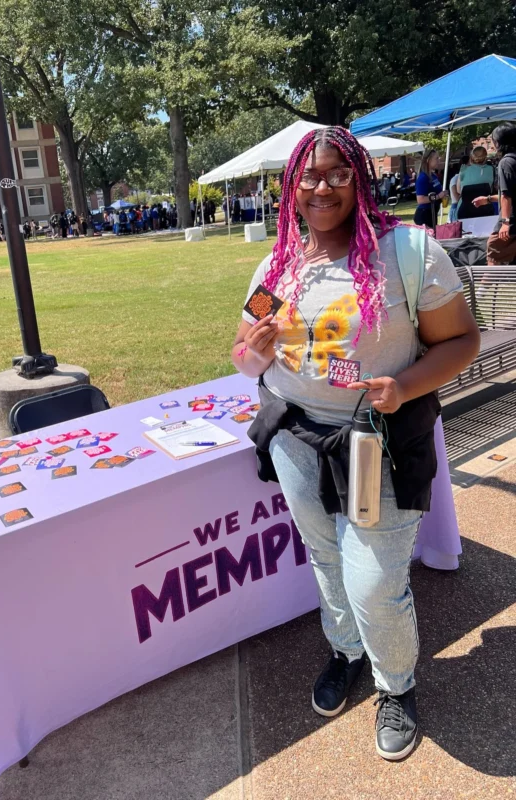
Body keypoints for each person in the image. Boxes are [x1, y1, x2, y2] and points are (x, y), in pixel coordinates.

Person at [231, 126, 480, 762]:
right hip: (295, 437)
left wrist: (401, 385)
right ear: (290, 186)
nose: (322, 187)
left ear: (360, 180)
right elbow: (242, 351)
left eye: (338, 174)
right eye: (309, 176)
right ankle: (345, 650)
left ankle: (396, 685)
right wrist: (252, 354)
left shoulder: (409, 253)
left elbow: (462, 343)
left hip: (378, 441)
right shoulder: (278, 263)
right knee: (325, 556)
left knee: (373, 579)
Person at [473, 122, 516, 265]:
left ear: (498, 143)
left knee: (493, 250)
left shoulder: (506, 162)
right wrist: (488, 199)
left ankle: (483, 288)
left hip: (512, 220)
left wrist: (505, 222)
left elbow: (507, 195)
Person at [456, 146, 495, 219]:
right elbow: (491, 189)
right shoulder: (491, 170)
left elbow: (458, 190)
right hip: (485, 210)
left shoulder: (463, 169)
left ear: (471, 157)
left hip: (464, 210)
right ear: (485, 157)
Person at [414, 150, 447, 229]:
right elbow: (420, 200)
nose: (438, 161)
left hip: (433, 213)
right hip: (424, 215)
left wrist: (443, 196)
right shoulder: (423, 177)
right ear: (429, 160)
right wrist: (438, 196)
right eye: (436, 158)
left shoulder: (433, 176)